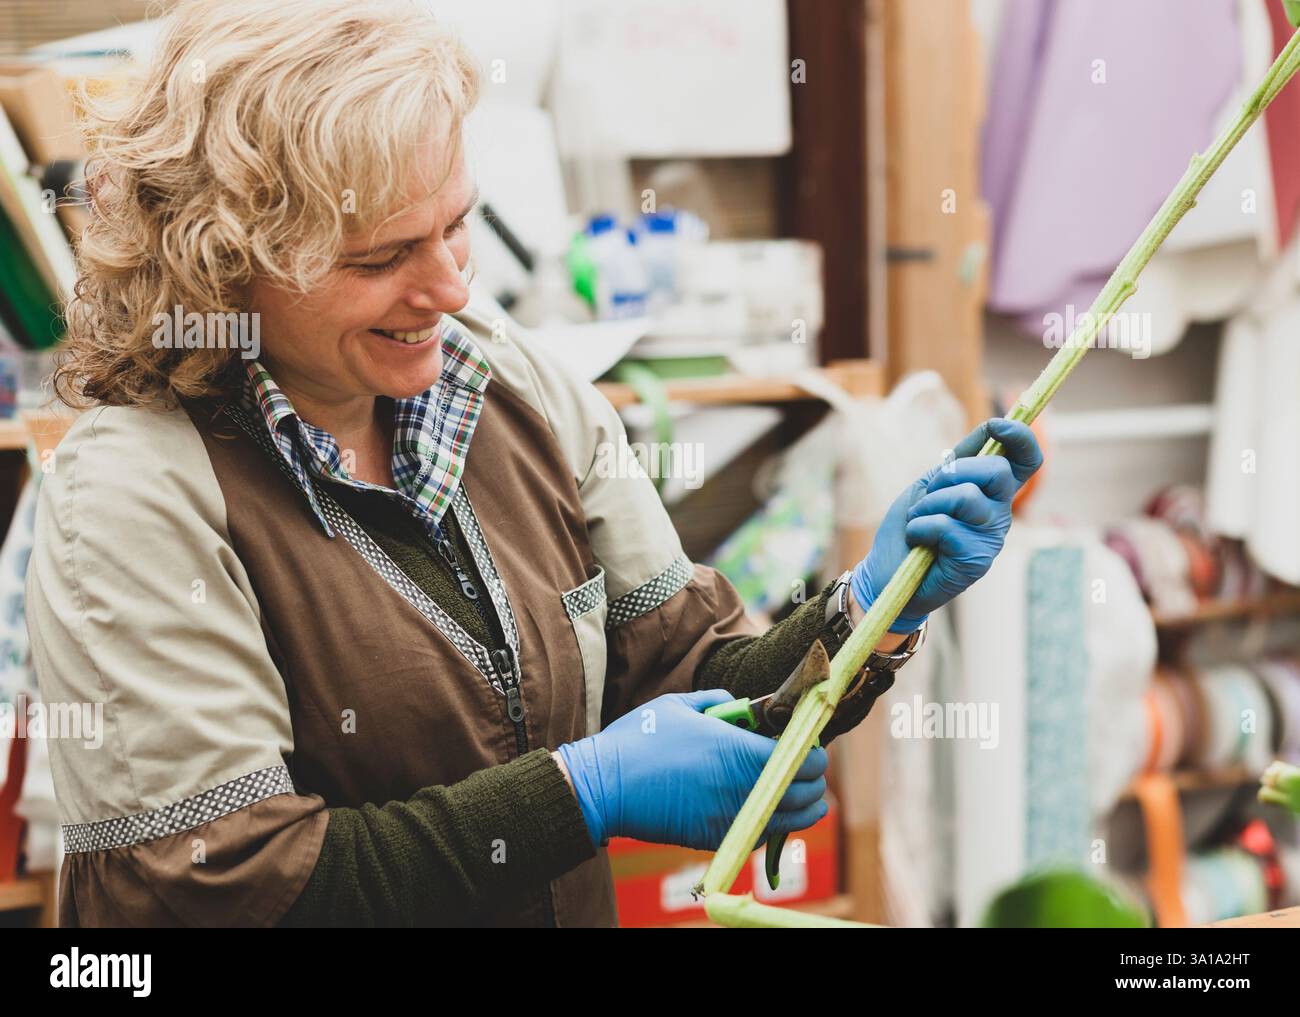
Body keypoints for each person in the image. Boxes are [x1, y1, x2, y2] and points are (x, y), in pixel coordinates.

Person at [26, 0, 1042, 927]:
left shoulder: (506, 386)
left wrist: (875, 603)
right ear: (222, 259)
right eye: (381, 259)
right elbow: (236, 884)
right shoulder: (136, 494)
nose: (451, 290)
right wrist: (586, 791)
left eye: (455, 226)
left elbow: (688, 675)